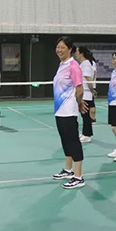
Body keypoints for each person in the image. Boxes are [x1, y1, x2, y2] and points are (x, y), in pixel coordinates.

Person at [51, 36, 88, 189]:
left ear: (70, 49)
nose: (59, 50)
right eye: (57, 47)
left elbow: (79, 88)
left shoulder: (74, 66)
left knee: (73, 142)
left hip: (69, 111)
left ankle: (78, 177)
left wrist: (79, 103)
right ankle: (68, 170)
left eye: (62, 47)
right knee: (65, 141)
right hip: (60, 111)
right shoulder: (62, 65)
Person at [75, 46, 96, 143]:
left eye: (77, 52)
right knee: (85, 115)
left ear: (81, 54)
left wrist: (92, 90)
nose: (75, 54)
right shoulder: (84, 64)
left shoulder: (86, 64)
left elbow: (88, 78)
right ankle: (85, 133)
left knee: (85, 115)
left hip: (86, 93)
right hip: (84, 93)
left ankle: (87, 135)